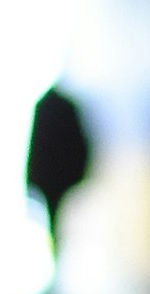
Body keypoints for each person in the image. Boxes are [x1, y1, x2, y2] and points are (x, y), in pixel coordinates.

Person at [24, 82, 97, 276]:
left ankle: (58, 261)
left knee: (55, 221)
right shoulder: (68, 106)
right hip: (63, 179)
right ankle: (59, 262)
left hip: (51, 181)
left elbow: (36, 148)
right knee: (62, 223)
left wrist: (32, 180)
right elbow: (81, 146)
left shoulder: (45, 106)